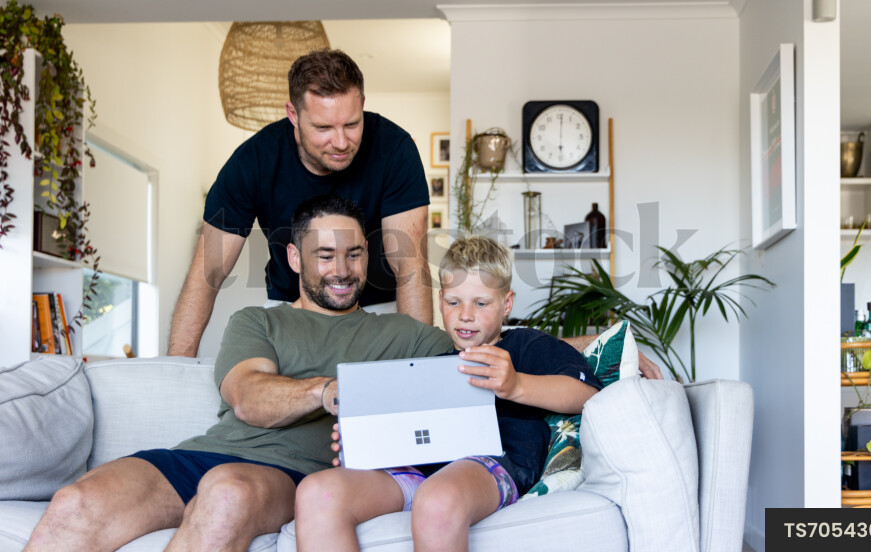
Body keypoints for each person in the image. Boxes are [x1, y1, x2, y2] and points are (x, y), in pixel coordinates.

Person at [25, 196, 454, 552]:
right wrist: (325, 392)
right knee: (74, 502)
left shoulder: (406, 336)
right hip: (204, 454)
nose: (342, 270)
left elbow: (471, 373)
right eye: (325, 255)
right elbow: (248, 396)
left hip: (293, 474)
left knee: (226, 493)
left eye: (354, 254)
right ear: (293, 258)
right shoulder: (258, 322)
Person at [294, 234, 604, 552]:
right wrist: (364, 440)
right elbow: (408, 436)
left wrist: (517, 385)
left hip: (492, 463)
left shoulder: (524, 345)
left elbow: (586, 395)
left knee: (438, 498)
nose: (465, 314)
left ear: (506, 304)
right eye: (454, 302)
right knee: (317, 492)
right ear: (441, 300)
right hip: (420, 468)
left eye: (481, 303)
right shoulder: (431, 364)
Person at [168, 49, 433, 357]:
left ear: (362, 104)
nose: (341, 142)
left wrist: (419, 368)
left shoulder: (394, 149)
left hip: (378, 307)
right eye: (323, 128)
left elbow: (409, 265)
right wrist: (177, 371)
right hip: (291, 307)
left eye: (351, 124)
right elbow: (207, 272)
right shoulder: (253, 162)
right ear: (293, 115)